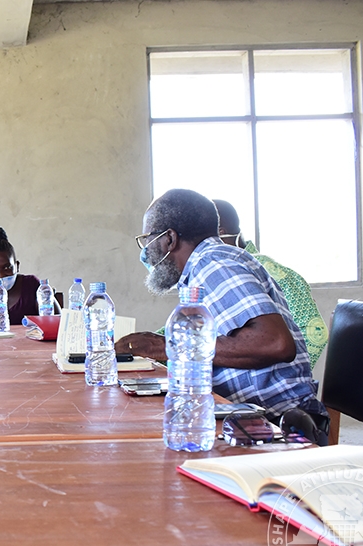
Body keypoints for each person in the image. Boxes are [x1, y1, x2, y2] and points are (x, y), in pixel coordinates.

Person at [116, 188, 329, 443]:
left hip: (278, 427)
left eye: (147, 239)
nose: (145, 252)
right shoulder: (204, 268)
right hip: (251, 418)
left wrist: (169, 346)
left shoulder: (213, 264)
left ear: (170, 239)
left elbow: (275, 343)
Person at [214, 199, 328, 365]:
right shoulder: (221, 271)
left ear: (220, 234)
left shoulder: (265, 268)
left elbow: (315, 331)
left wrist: (285, 373)